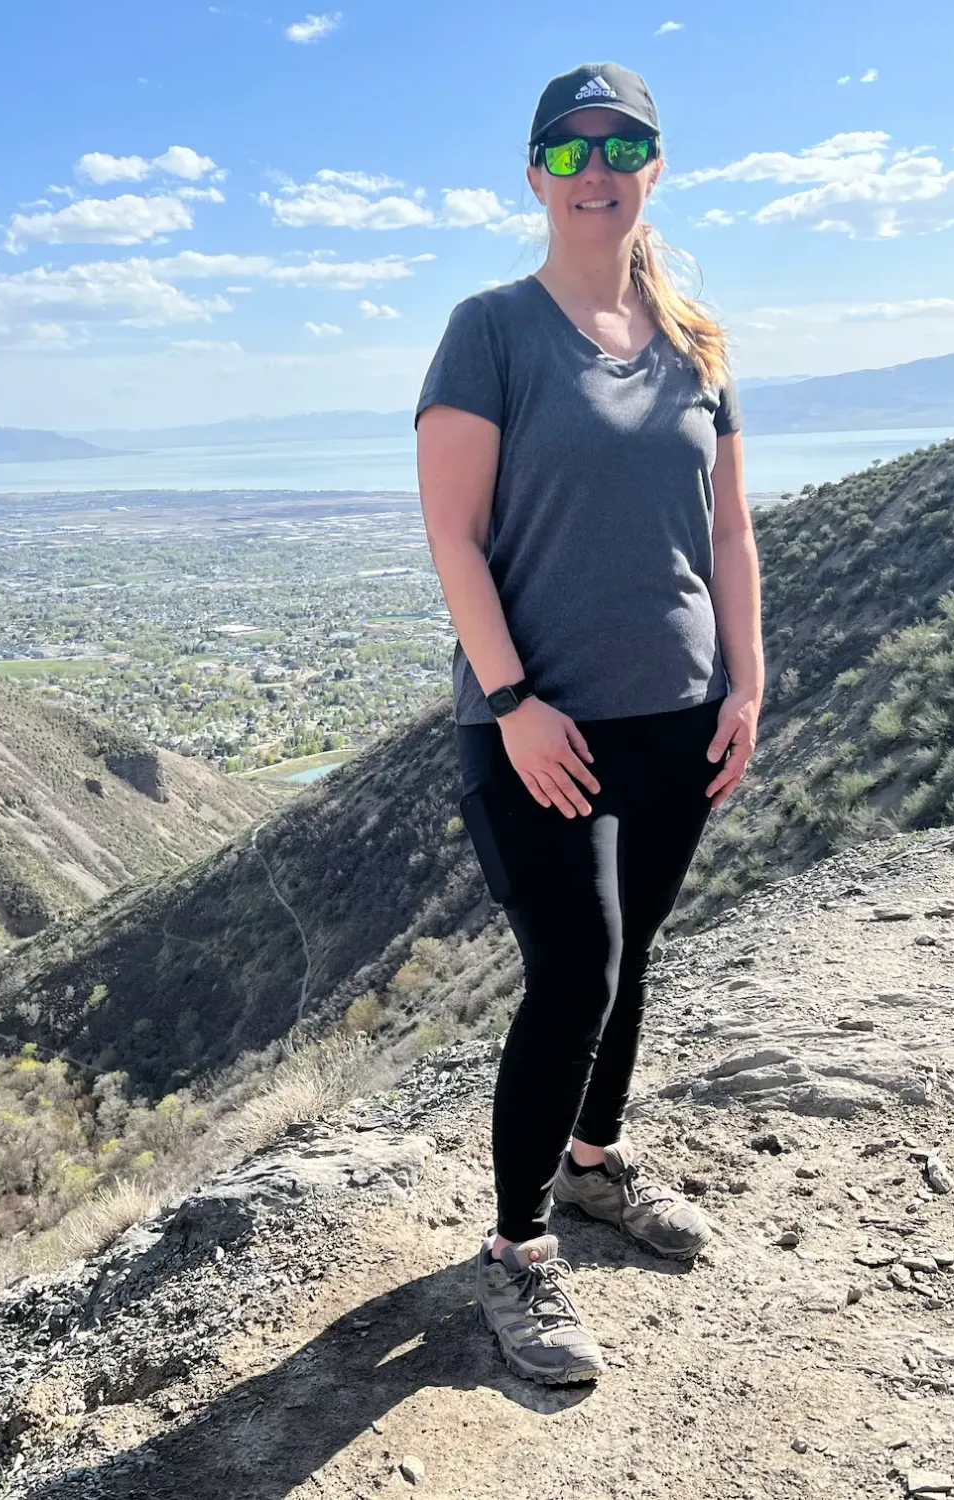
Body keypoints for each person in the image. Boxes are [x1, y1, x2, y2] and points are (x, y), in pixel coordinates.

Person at [413, 61, 763, 1385]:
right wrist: (511, 703)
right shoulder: (491, 329)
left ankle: (599, 1167)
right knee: (576, 966)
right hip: (537, 724)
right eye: (569, 150)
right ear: (535, 174)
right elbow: (451, 532)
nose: (596, 169)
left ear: (656, 169)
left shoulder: (698, 338)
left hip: (679, 710)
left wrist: (747, 679)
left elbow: (727, 529)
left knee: (633, 953)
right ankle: (518, 1254)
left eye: (623, 146)